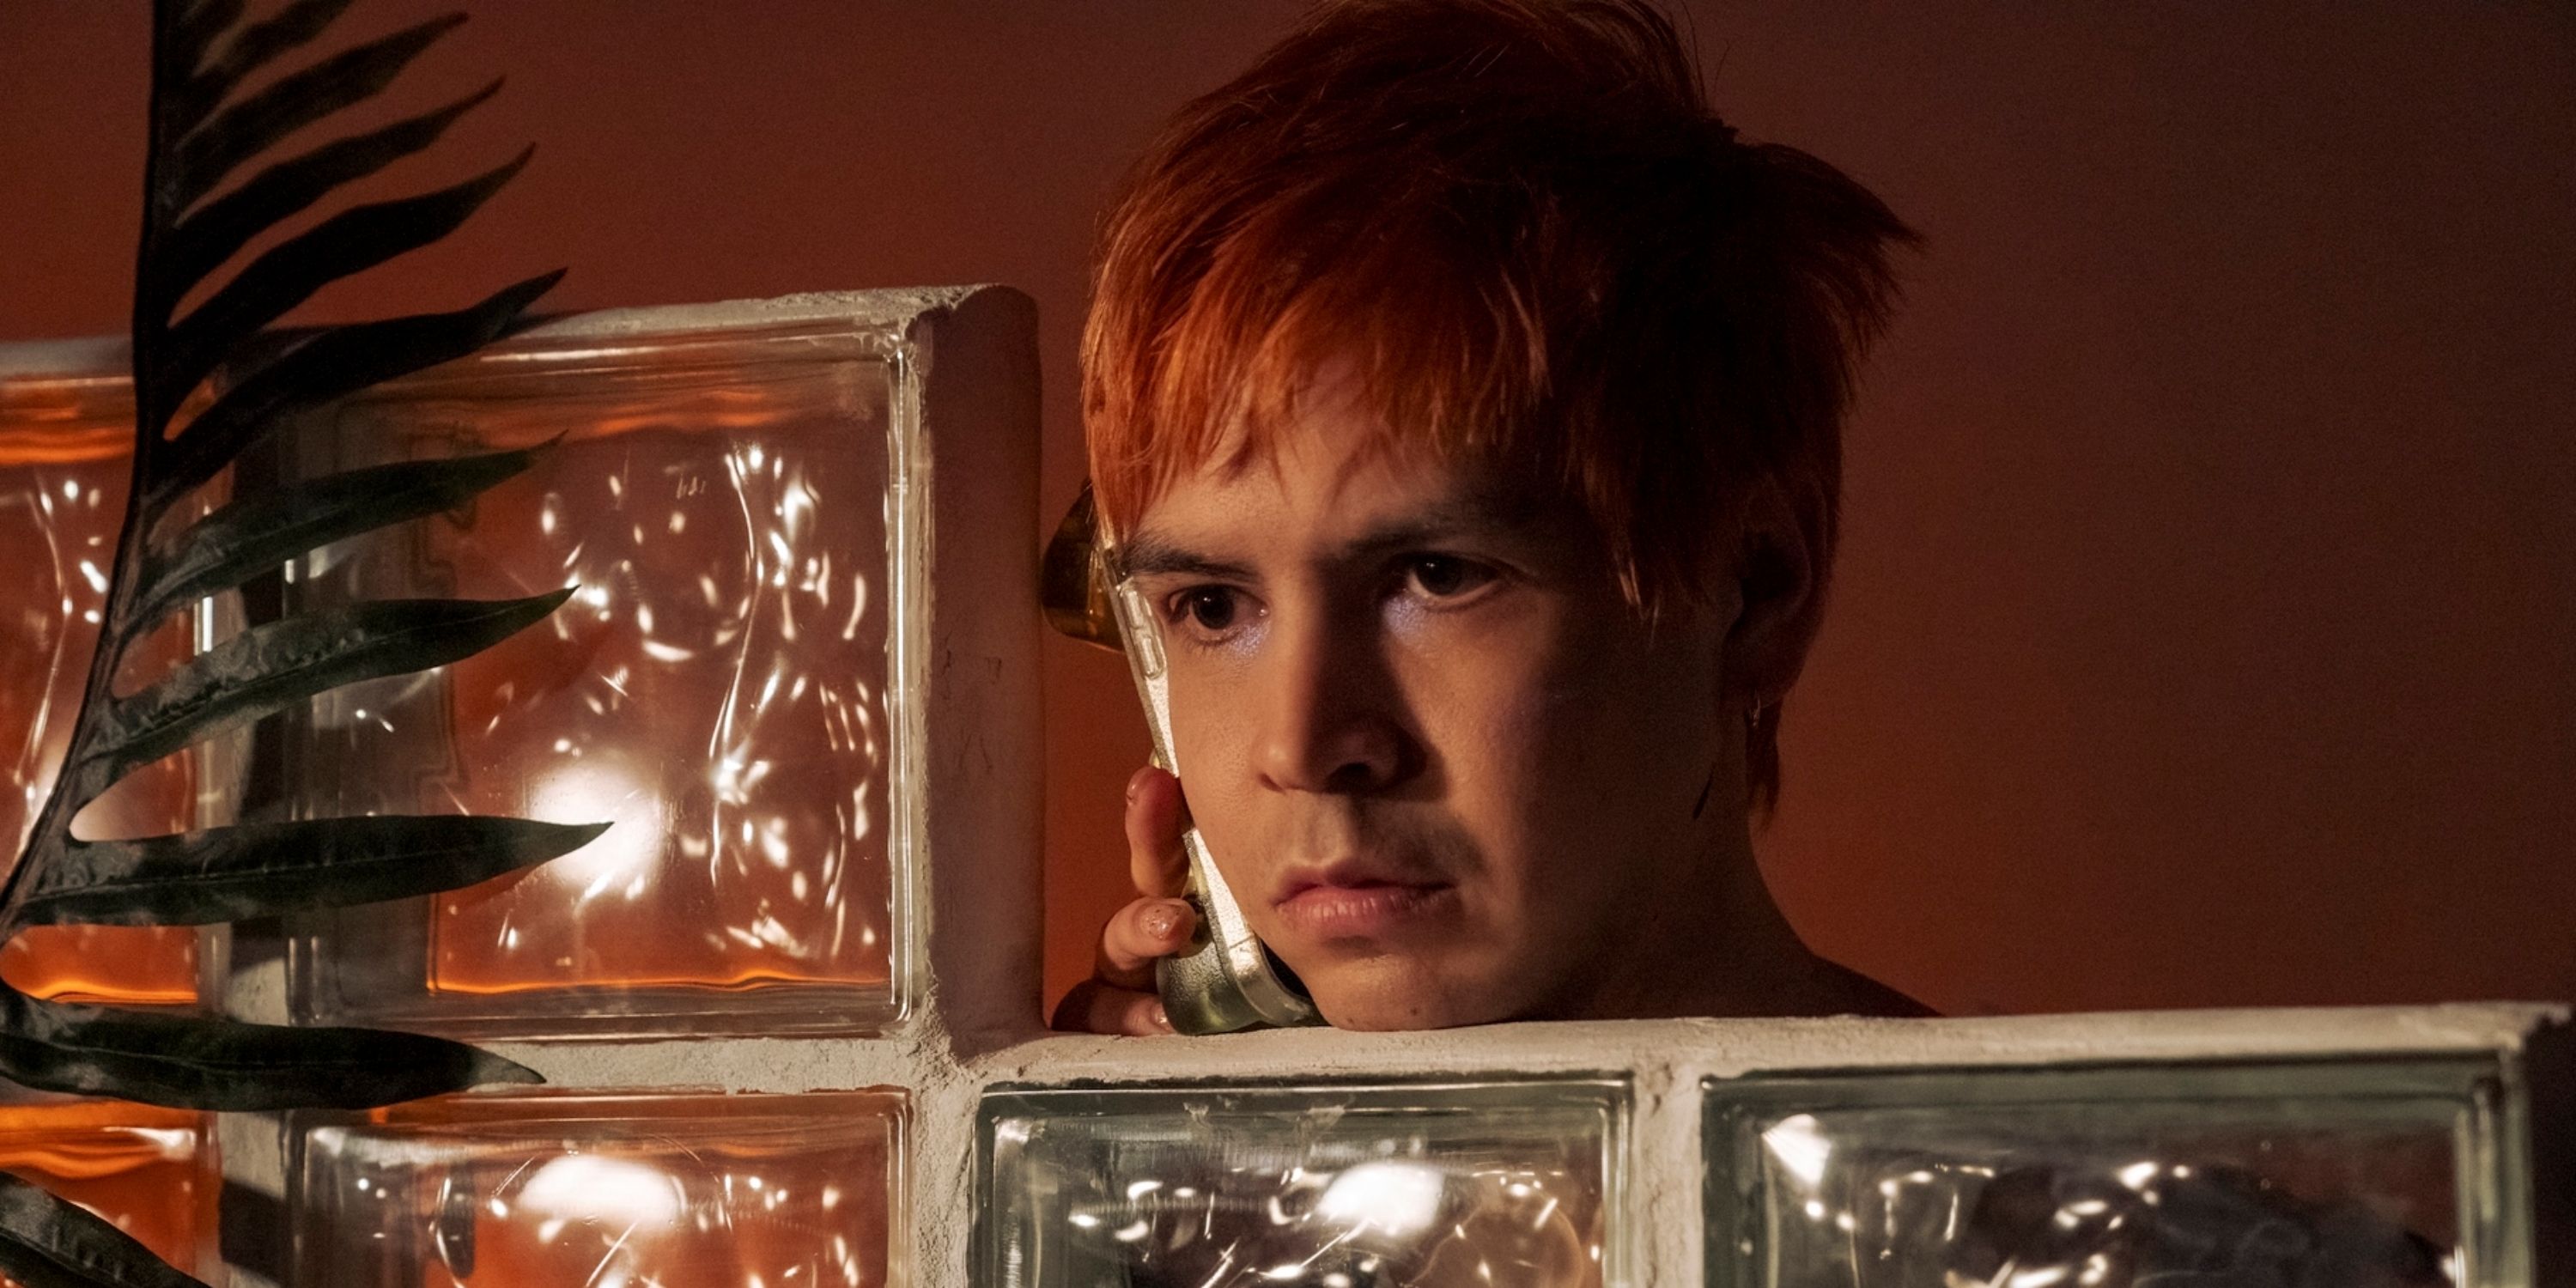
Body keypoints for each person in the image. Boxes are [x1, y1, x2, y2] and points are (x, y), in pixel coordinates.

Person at [1053, 0, 1930, 1035]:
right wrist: (1150, 1168)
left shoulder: (2022, 1185)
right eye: (1209, 605)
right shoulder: (1196, 1170)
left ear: (1753, 589)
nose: (1304, 743)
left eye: (1437, 576)